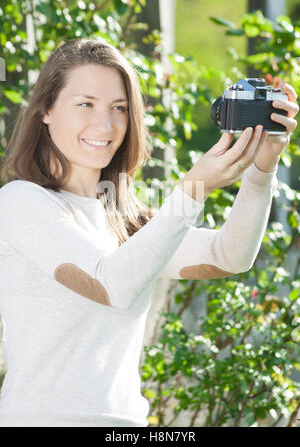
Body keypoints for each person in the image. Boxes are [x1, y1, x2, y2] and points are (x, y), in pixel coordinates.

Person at [0, 38, 298, 427]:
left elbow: (230, 255)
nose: (104, 125)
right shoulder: (19, 202)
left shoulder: (123, 220)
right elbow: (112, 285)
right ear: (46, 110)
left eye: (119, 108)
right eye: (85, 104)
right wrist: (194, 188)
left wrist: (262, 170)